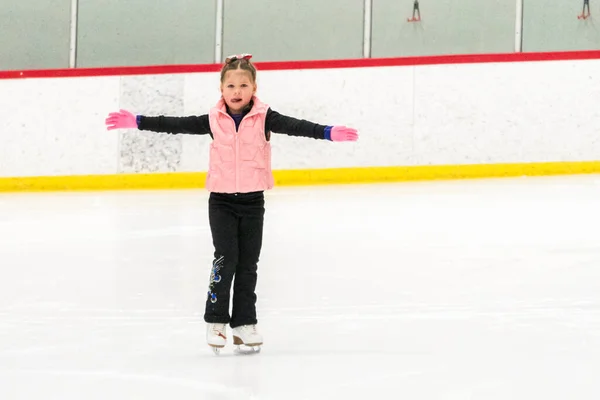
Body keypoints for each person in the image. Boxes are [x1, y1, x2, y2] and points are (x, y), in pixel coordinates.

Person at [105, 53, 358, 353]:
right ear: (221, 90)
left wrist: (327, 132)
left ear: (254, 88)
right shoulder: (213, 120)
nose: (237, 92)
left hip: (253, 202)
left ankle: (244, 324)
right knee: (226, 259)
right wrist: (139, 121)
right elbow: (177, 124)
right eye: (231, 86)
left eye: (243, 85)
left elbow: (296, 125)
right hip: (222, 202)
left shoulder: (265, 117)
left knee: (248, 264)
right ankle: (216, 321)